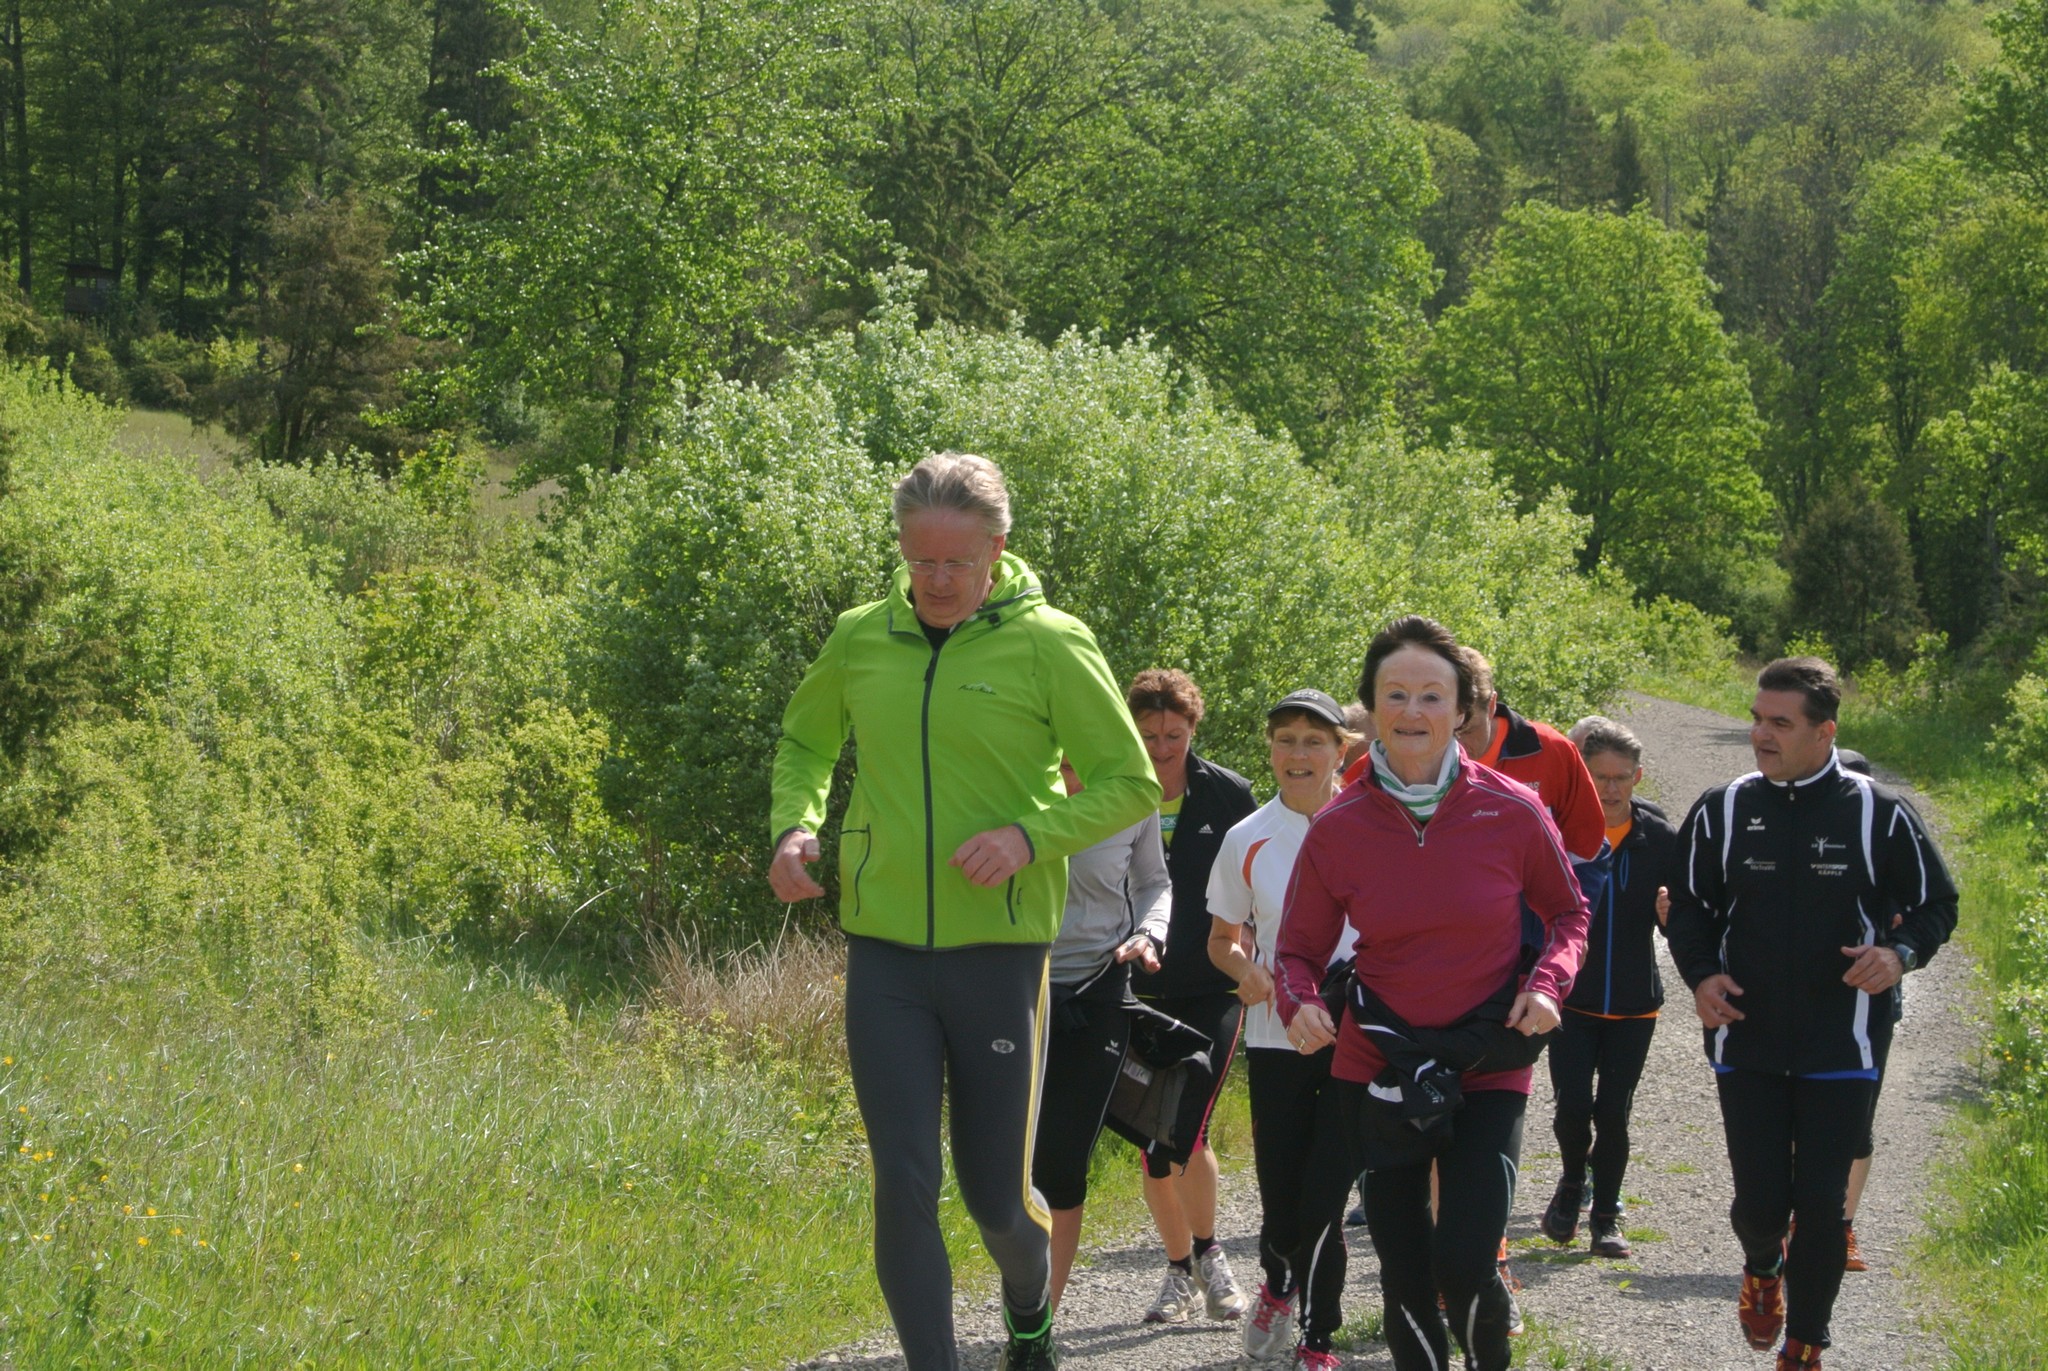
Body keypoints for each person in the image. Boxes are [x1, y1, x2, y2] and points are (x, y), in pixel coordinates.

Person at [769, 452, 1159, 1371]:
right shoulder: (861, 636)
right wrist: (794, 824)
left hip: (1000, 953)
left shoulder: (1052, 642)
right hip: (886, 953)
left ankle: (1028, 1309)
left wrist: (1031, 836)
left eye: (957, 562)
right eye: (920, 561)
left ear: (998, 547)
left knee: (997, 1202)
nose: (937, 581)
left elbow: (1131, 782)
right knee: (903, 1179)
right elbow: (806, 740)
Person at [1275, 615, 1589, 1371]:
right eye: (1395, 694)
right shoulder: (1339, 824)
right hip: (1379, 1065)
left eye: (1431, 696)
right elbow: (1297, 950)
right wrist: (1300, 1002)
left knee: (1465, 1261)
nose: (1412, 711)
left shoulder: (1512, 809)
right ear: (1371, 707)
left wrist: (1549, 984)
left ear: (1463, 709)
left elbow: (1570, 913)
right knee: (1407, 1273)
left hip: (1486, 1060)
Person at [1665, 658, 1958, 1371]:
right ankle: (1762, 1264)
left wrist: (1899, 954)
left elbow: (1936, 904)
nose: (1761, 734)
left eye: (1780, 723)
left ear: (1825, 732)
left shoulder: (1879, 811)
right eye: (1757, 719)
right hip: (1747, 1036)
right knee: (1760, 1205)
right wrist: (1700, 975)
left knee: (1824, 1206)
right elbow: (1687, 906)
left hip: (1844, 1039)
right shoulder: (1722, 808)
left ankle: (1805, 1348)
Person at [1205, 690, 1361, 1366]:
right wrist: (1246, 970)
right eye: (1285, 740)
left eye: (1314, 741)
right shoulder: (1248, 837)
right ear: (1269, 748)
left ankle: (1318, 1336)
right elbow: (1221, 940)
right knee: (1282, 1194)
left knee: (1326, 1194)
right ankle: (1278, 1281)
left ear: (1341, 751)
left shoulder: (1375, 825)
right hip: (1277, 1035)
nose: (1299, 754)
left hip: (1357, 1036)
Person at [1127, 667, 1257, 1324]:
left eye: (1173, 735)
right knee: (1153, 1143)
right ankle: (1180, 1270)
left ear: (1193, 729)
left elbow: (1259, 879)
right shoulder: (1114, 790)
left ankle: (1211, 1255)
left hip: (1213, 984)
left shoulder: (1228, 793)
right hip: (1138, 988)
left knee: (1188, 1125)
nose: (1161, 748)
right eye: (1148, 735)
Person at [1537, 716, 1680, 1260]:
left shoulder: (1660, 839)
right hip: (1571, 1000)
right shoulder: (1562, 832)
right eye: (1601, 777)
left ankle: (1606, 1217)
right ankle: (1573, 1180)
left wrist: (1672, 918)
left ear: (1638, 776)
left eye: (1622, 777)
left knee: (1613, 1112)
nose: (1612, 789)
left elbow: (1689, 921)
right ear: (1583, 776)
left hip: (1634, 1002)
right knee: (1572, 1107)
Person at [1036, 760, 1171, 1310]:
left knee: (1060, 1163)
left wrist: (1150, 933)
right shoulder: (1008, 783)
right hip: (1011, 990)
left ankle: (1036, 1325)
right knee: (1001, 1169)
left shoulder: (1132, 795)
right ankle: (1020, 1293)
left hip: (1097, 991)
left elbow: (1154, 881)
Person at [1835, 748, 1898, 1273]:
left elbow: (1927, 915)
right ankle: (1793, 1221)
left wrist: (1898, 948)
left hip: (1871, 1006)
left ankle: (1843, 1227)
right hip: (1797, 1002)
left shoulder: (1893, 852)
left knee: (1857, 1121)